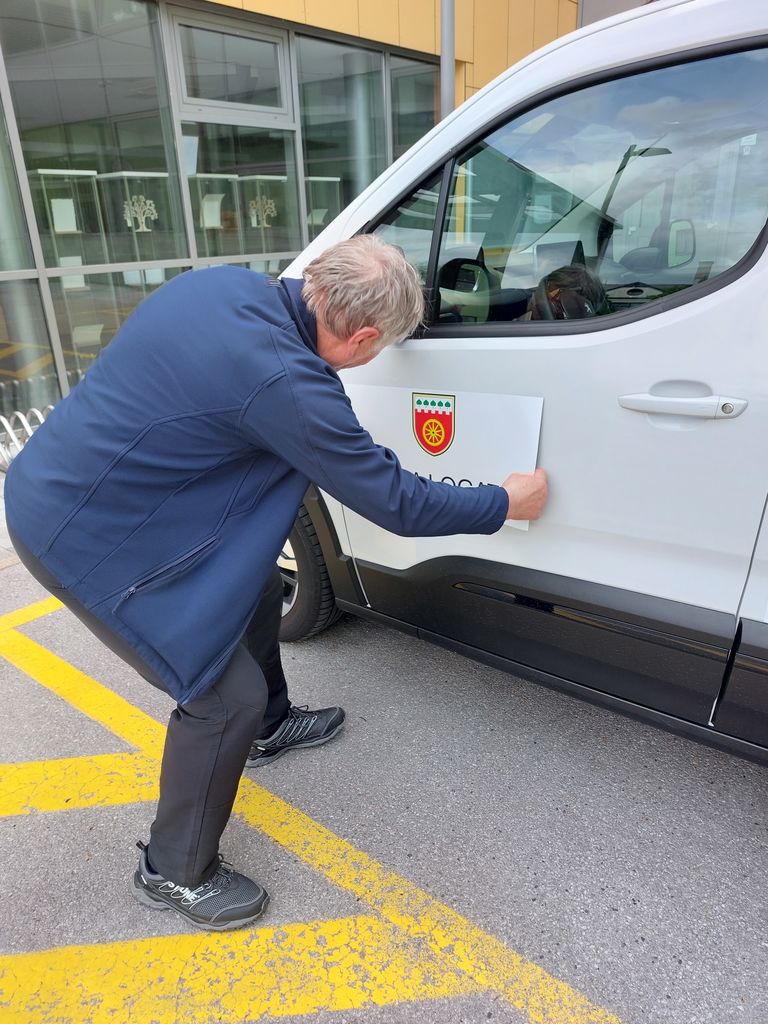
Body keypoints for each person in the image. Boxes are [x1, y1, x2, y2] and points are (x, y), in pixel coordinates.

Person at [5, 235, 548, 931]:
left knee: (254, 582)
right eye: (379, 349)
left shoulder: (224, 286)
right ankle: (174, 870)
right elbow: (396, 502)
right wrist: (504, 502)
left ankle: (268, 727)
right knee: (221, 697)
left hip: (99, 489)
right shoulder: (287, 382)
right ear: (362, 338)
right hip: (81, 535)